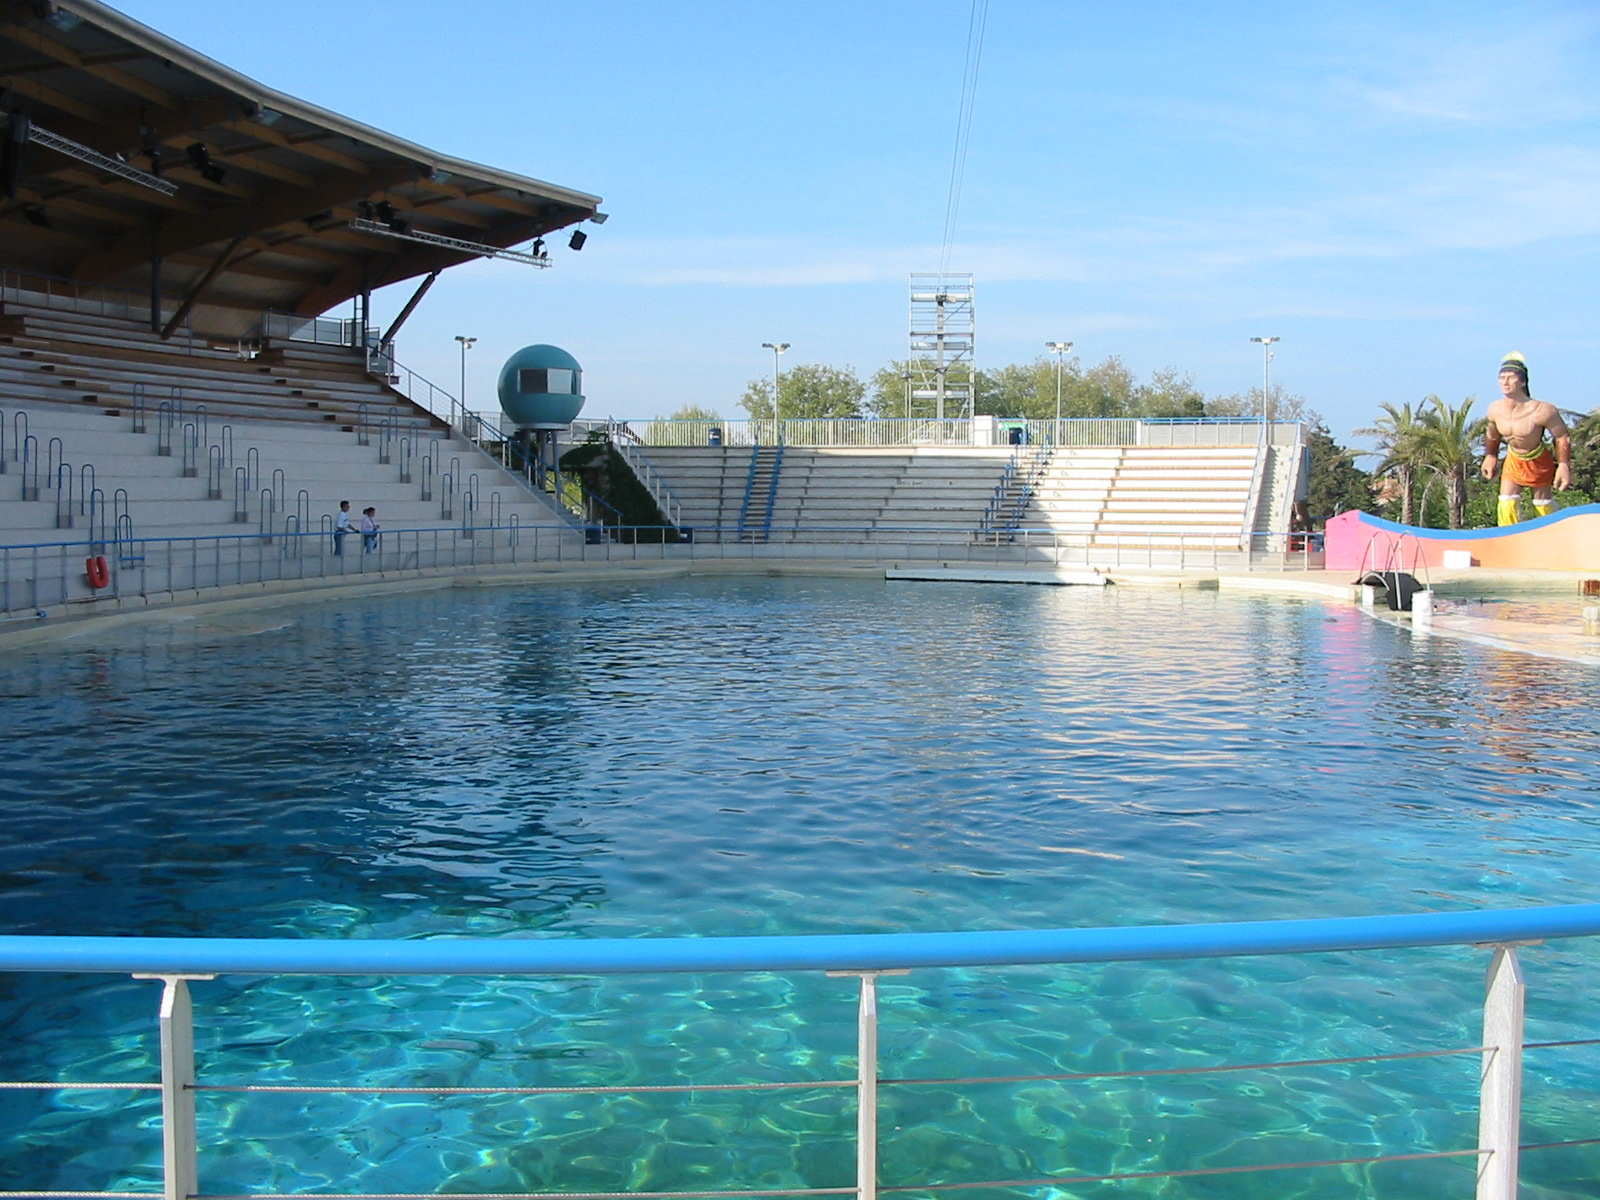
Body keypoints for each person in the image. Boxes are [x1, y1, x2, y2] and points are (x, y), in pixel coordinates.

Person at [1481, 351, 1570, 525]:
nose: (1505, 382)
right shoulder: (1495, 409)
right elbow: (1492, 434)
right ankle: (1508, 539)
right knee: (1506, 502)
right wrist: (1490, 456)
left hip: (1537, 459)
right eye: (1502, 377)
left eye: (1510, 377)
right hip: (1513, 458)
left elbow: (1562, 437)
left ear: (1522, 381)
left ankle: (1554, 534)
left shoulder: (1542, 410)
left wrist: (1564, 466)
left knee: (1542, 505)